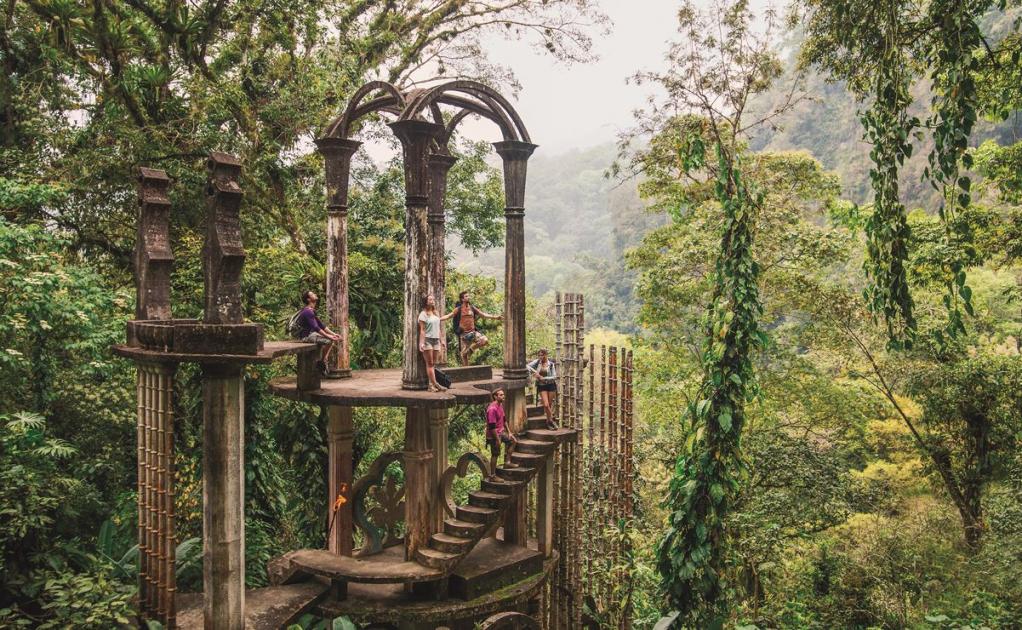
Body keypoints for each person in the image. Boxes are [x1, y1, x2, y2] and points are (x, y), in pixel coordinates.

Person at [447, 290, 502, 366]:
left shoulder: (472, 308)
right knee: (464, 356)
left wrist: (496, 317)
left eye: (468, 296)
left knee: (484, 340)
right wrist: (438, 319)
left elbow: (483, 315)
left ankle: (470, 349)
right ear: (462, 299)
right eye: (466, 296)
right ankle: (466, 372)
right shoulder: (458, 309)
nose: (468, 297)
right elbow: (449, 316)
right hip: (463, 335)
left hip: (473, 333)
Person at [297, 290, 341, 374]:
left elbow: (322, 326)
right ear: (309, 299)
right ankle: (323, 361)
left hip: (312, 334)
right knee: (328, 340)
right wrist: (329, 337)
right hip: (306, 336)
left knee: (331, 339)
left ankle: (323, 360)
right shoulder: (307, 311)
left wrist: (333, 334)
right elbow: (316, 327)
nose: (315, 294)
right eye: (312, 294)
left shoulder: (311, 311)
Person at [418, 294, 454, 392]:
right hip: (427, 340)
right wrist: (421, 343)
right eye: (430, 299)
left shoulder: (436, 313)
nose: (432, 300)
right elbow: (422, 330)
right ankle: (436, 385)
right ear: (426, 302)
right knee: (429, 363)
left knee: (433, 363)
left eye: (433, 299)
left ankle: (431, 386)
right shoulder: (423, 314)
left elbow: (438, 328)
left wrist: (442, 340)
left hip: (436, 340)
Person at [485, 388, 517, 481]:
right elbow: (492, 426)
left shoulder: (500, 405)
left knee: (513, 441)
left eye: (503, 394)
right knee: (495, 454)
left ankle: (507, 462)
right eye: (501, 395)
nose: (503, 396)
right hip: (493, 435)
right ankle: (492, 476)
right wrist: (497, 439)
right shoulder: (492, 409)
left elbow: (504, 419)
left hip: (501, 432)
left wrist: (509, 432)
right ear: (495, 397)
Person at [527, 349, 558, 430]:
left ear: (546, 355)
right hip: (541, 386)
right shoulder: (537, 362)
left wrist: (544, 378)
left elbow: (555, 376)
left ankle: (548, 422)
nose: (540, 357)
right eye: (539, 355)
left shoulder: (551, 364)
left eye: (542, 355)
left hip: (551, 385)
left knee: (549, 404)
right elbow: (527, 366)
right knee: (546, 405)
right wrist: (534, 373)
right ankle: (551, 420)